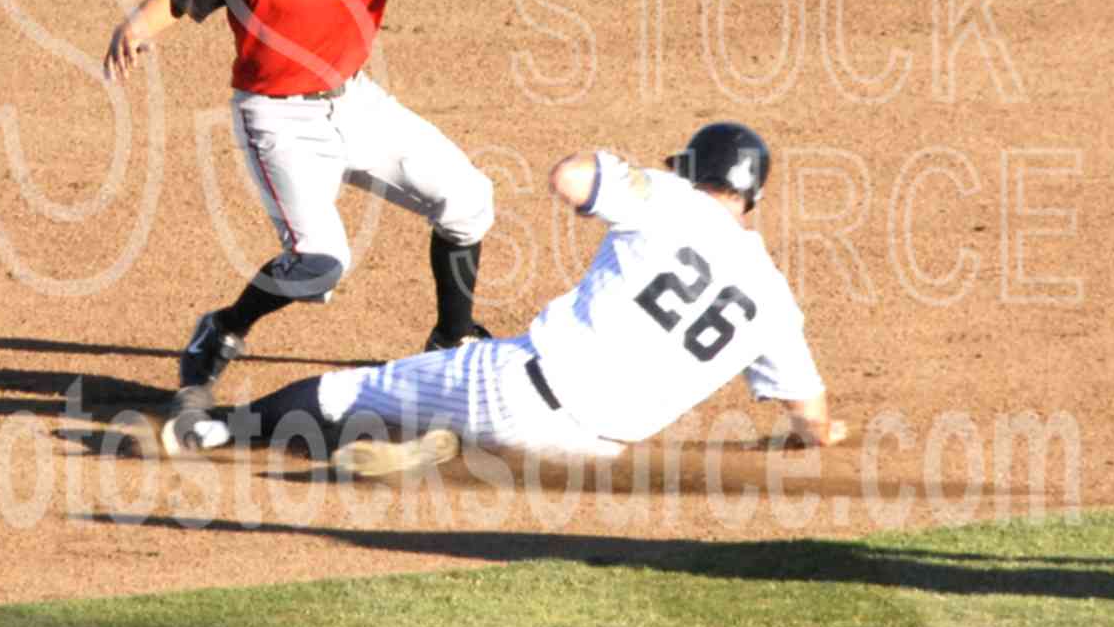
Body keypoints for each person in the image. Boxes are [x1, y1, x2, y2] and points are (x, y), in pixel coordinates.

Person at [103, 0, 496, 442]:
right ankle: (224, 328)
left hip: (357, 102)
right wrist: (135, 28)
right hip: (278, 119)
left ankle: (450, 342)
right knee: (318, 266)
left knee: (469, 199)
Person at [174, 121, 845, 472]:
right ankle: (451, 448)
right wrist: (808, 436)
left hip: (512, 385)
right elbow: (812, 421)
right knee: (473, 424)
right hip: (589, 456)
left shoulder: (670, 197)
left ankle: (207, 430)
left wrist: (628, 168)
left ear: (693, 172)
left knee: (354, 391)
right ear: (751, 199)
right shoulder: (776, 304)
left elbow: (570, 178)